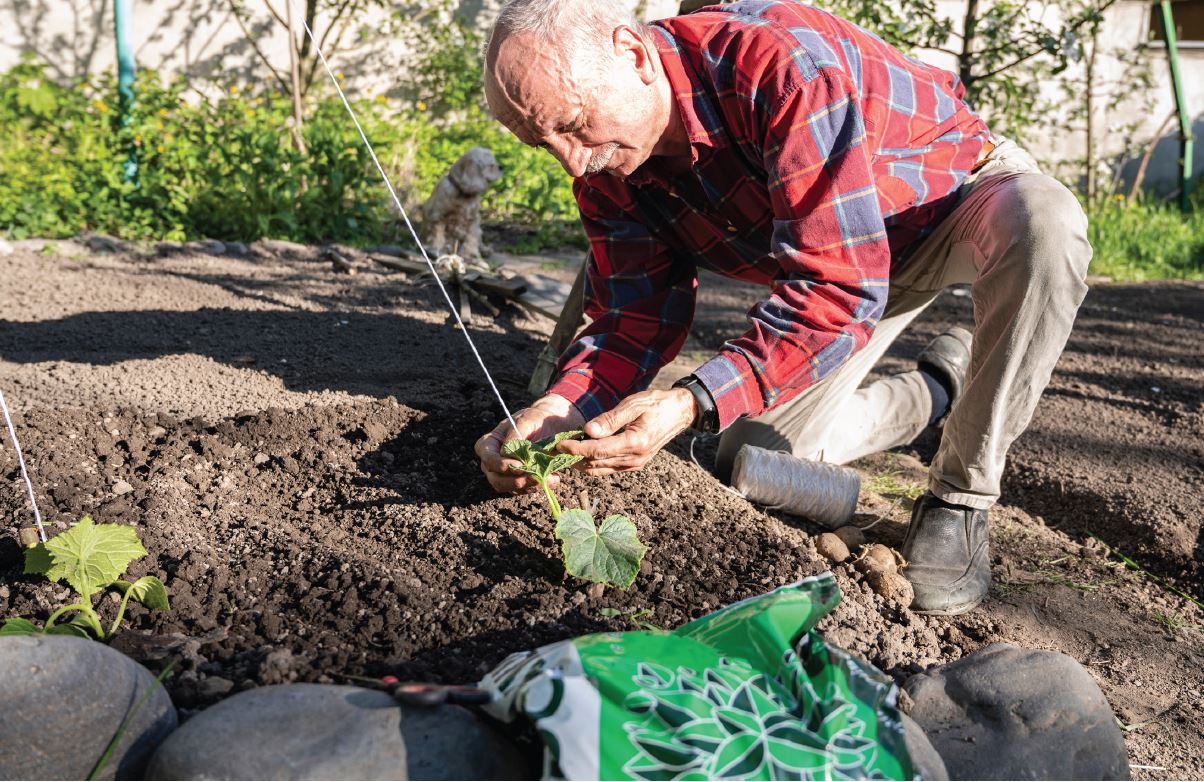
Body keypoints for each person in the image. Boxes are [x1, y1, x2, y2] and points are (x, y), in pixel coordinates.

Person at [474, 0, 1091, 615]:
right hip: (846, 263)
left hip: (948, 204)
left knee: (1046, 227)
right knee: (749, 463)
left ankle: (961, 497)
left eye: (575, 124)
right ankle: (934, 392)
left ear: (633, 56)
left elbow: (838, 290)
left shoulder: (778, 70)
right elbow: (632, 319)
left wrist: (691, 399)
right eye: (541, 142)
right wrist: (560, 406)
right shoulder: (606, 168)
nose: (572, 160)